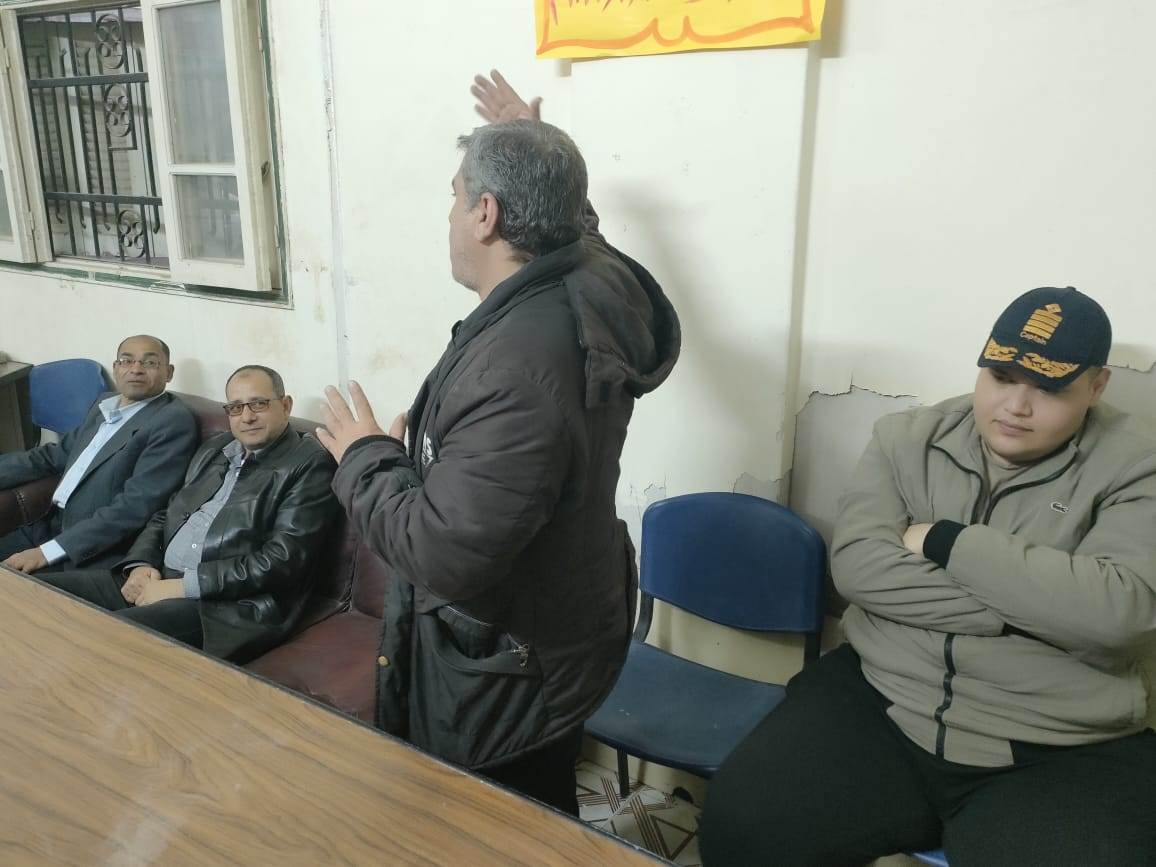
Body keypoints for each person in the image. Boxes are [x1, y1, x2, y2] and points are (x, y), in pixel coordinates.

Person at [316, 71, 680, 815]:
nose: (451, 214)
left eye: (456, 197)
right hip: (564, 623)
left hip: (514, 668)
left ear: (485, 215)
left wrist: (363, 457)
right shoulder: (593, 282)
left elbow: (441, 552)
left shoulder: (517, 369)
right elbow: (580, 234)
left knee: (497, 828)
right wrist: (540, 152)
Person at [700, 287, 1156, 865]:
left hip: (1056, 740)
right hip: (885, 696)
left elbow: (1119, 616)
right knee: (742, 829)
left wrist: (946, 542)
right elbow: (859, 568)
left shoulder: (1137, 466)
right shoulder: (908, 437)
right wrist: (1038, 610)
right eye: (1001, 376)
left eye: (1048, 388)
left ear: (1096, 386)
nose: (1016, 405)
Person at [38, 365, 338, 662]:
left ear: (285, 406)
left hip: (224, 606)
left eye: (258, 404)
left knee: (104, 638)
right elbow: (165, 514)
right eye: (236, 407)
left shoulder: (309, 464)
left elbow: (280, 562)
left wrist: (182, 587)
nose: (246, 417)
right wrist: (141, 564)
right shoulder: (216, 449)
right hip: (160, 577)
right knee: (37, 592)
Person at [0, 335, 197, 573]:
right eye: (127, 360)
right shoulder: (105, 404)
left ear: (169, 372)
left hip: (89, 547)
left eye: (149, 363)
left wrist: (47, 552)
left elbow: (133, 508)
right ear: (116, 368)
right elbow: (54, 455)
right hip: (46, 525)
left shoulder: (172, 422)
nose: (136, 369)